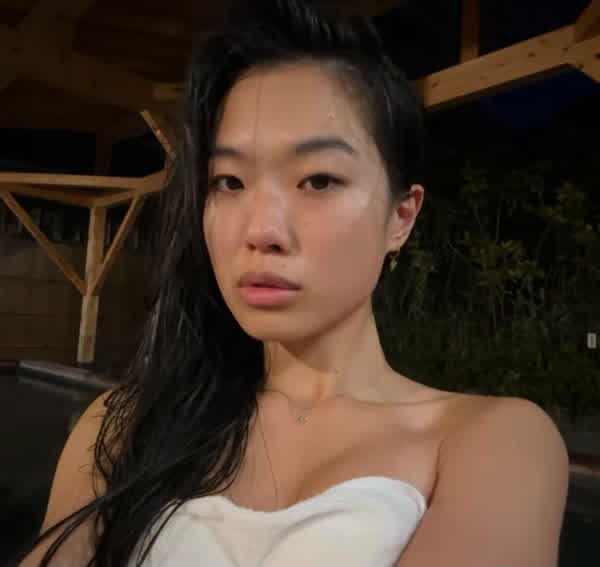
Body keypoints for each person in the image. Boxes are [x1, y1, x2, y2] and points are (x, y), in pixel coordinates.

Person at [17, 0, 569, 565]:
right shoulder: (121, 428)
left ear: (401, 217)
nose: (261, 231)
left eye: (319, 180)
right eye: (229, 181)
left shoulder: (490, 440)